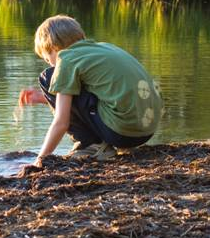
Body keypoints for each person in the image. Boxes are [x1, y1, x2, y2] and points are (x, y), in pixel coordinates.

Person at [18, 14, 163, 168]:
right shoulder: (102, 48)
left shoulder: (66, 59)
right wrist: (43, 98)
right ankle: (99, 143)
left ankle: (91, 146)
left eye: (48, 59)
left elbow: (61, 122)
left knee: (48, 77)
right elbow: (100, 91)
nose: (50, 63)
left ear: (53, 47)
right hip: (146, 130)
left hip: (122, 133)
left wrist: (40, 160)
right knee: (60, 81)